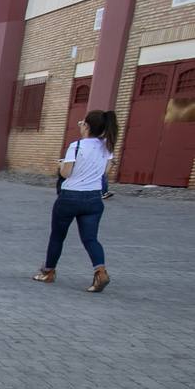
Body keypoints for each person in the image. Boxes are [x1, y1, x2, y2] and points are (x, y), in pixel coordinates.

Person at [33, 110, 117, 294]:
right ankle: (100, 272)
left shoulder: (76, 146)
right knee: (90, 238)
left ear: (86, 126)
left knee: (58, 236)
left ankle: (48, 272)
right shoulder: (107, 146)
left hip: (70, 197)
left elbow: (66, 173)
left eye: (82, 122)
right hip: (94, 199)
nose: (80, 125)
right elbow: (105, 171)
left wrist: (61, 164)